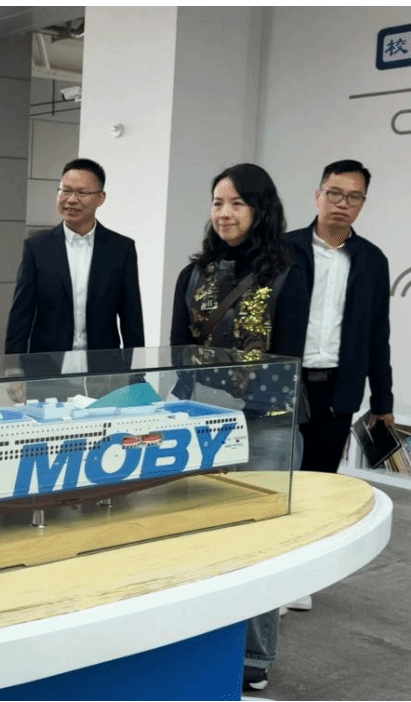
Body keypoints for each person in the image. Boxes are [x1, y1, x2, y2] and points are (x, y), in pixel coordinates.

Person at [169, 163, 310, 692]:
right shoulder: (194, 274)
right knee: (197, 530)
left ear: (260, 209)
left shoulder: (288, 272)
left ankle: (254, 653)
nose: (224, 213)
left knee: (260, 538)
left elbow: (288, 355)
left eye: (236, 203)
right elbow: (179, 351)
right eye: (217, 202)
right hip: (203, 419)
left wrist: (234, 389)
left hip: (268, 422)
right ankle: (197, 638)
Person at [291, 160, 393, 474]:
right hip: (285, 383)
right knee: (275, 478)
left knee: (323, 481)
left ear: (362, 203)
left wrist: (383, 403)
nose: (343, 203)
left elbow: (378, 335)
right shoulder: (283, 250)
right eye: (334, 193)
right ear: (318, 196)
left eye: (354, 197)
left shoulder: (372, 260)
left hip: (338, 391)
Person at [5, 158, 145, 357]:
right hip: (48, 363)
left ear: (101, 198)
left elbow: (132, 316)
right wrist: (13, 367)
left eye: (82, 193)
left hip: (103, 364)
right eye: (65, 191)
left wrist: (136, 368)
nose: (71, 200)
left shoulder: (121, 249)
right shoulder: (37, 248)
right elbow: (21, 315)